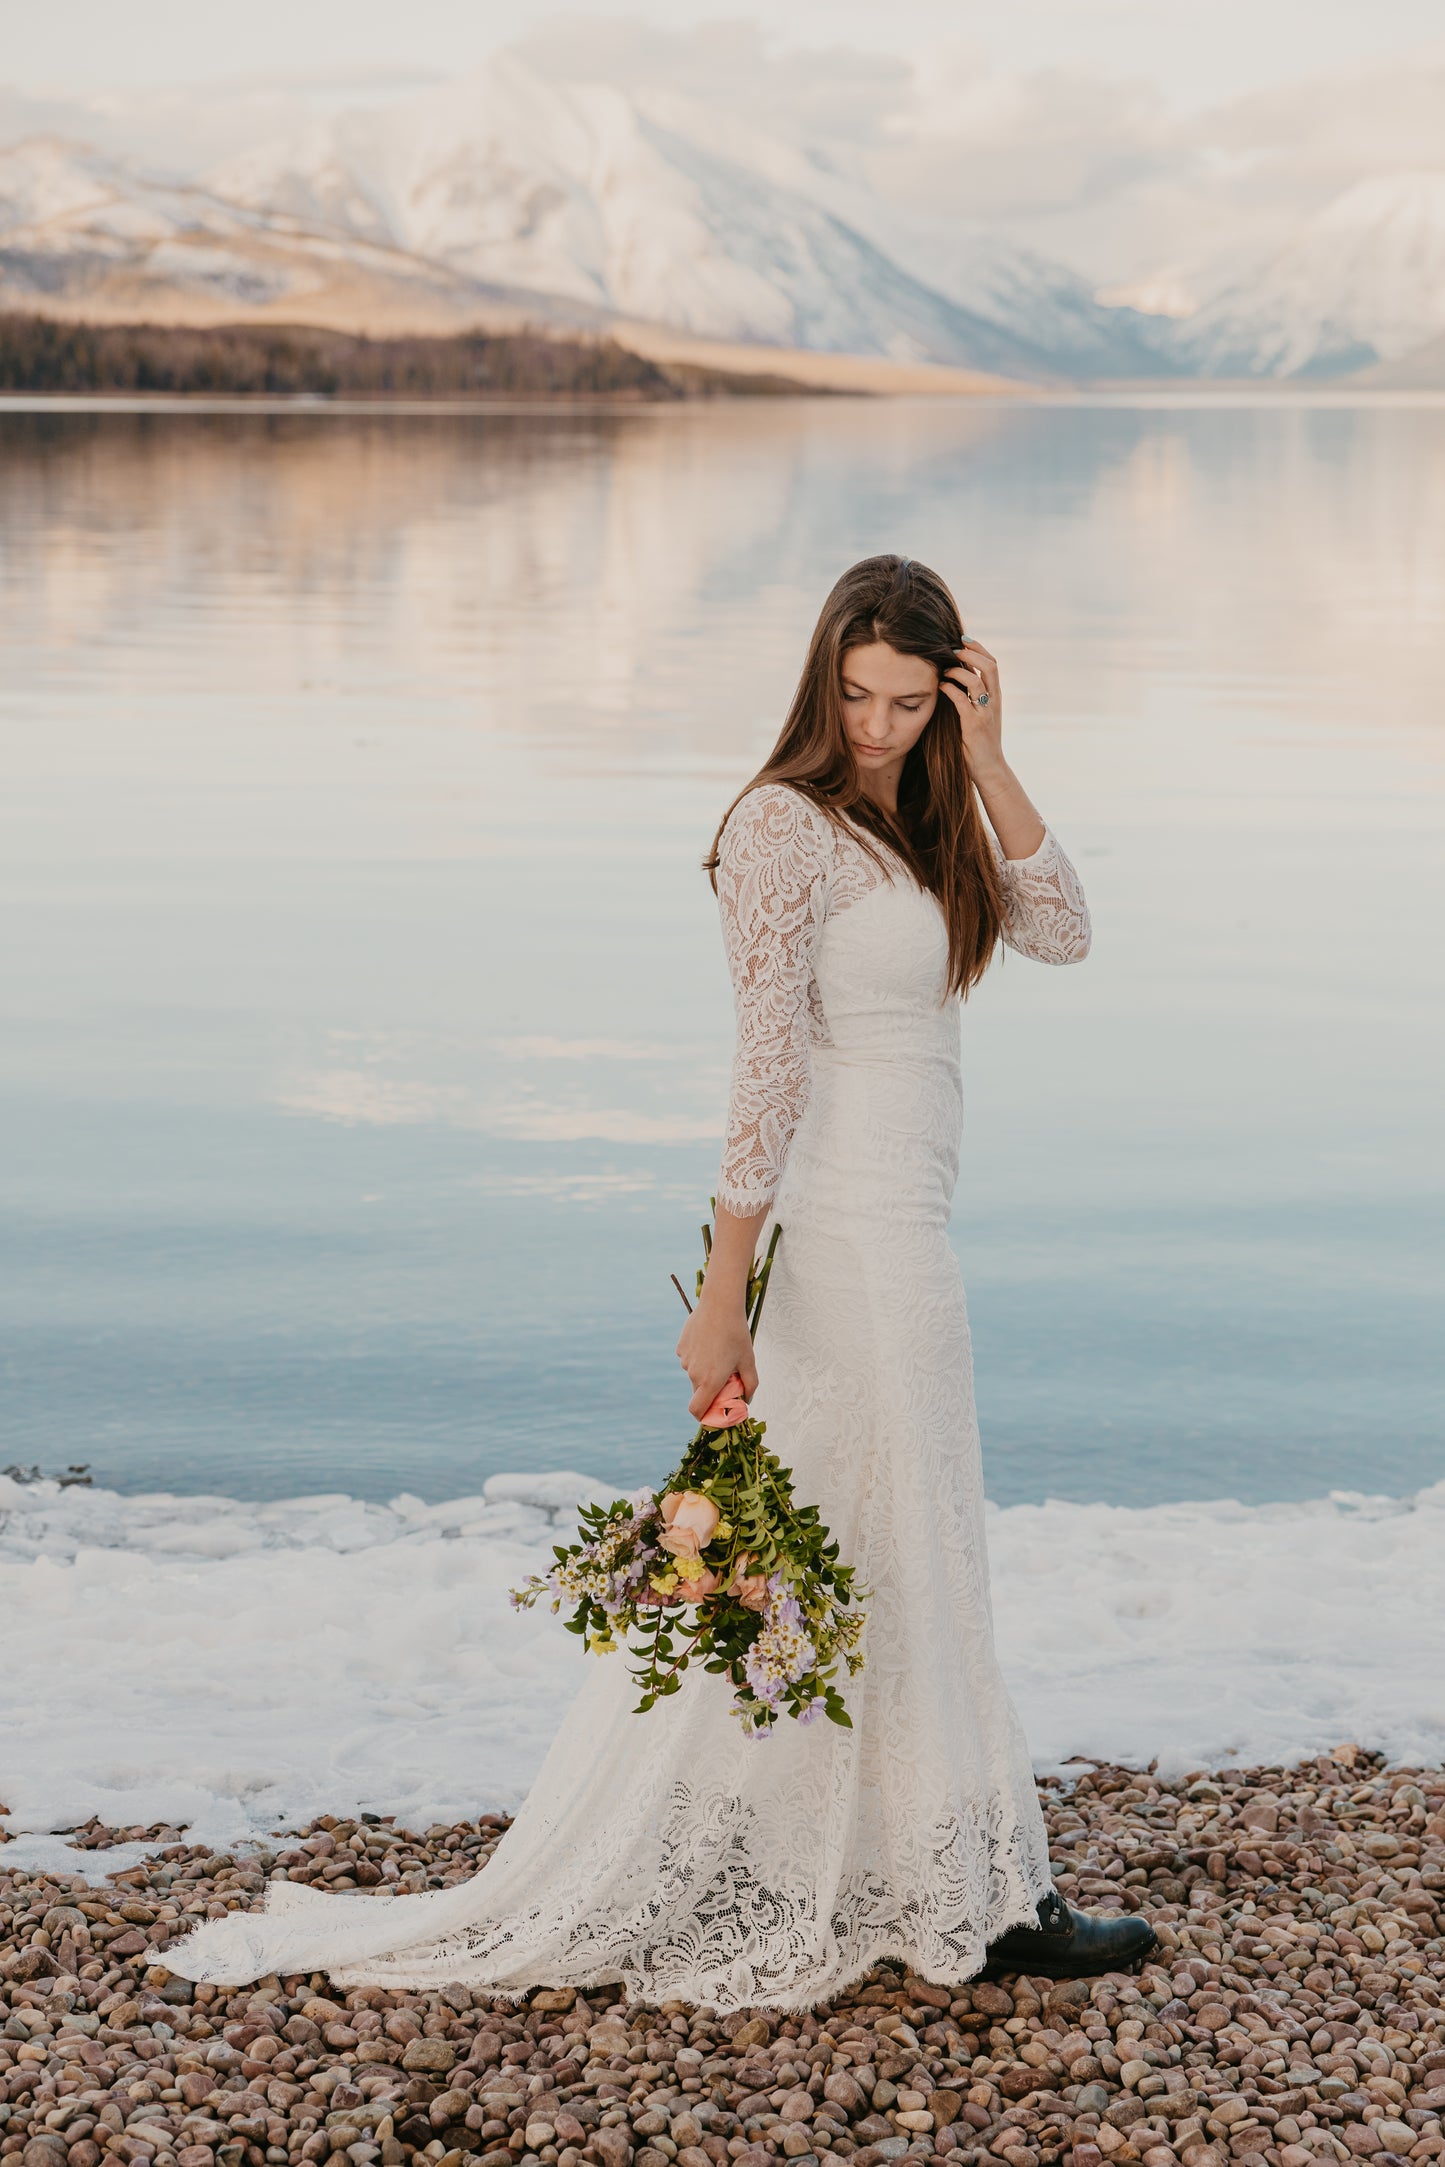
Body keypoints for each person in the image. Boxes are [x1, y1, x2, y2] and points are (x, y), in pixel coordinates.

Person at [165, 554, 1155, 2007]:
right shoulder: (777, 826)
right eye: (855, 695)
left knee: (897, 1542)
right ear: (820, 680)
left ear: (943, 693)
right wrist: (725, 1293)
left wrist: (991, 755)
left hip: (912, 1226)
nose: (876, 725)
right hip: (848, 1236)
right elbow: (764, 1063)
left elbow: (1063, 929)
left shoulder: (925, 812)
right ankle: (968, 1892)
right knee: (885, 1544)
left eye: (906, 700)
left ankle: (931, 1868)